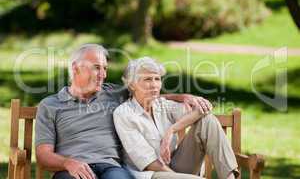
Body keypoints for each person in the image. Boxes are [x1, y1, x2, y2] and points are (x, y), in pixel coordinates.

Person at [35, 44, 212, 179]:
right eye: (96, 67)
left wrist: (184, 97)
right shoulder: (51, 105)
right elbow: (43, 155)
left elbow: (149, 92)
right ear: (75, 68)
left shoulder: (114, 93)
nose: (103, 74)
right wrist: (68, 163)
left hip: (111, 167)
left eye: (105, 68)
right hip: (73, 170)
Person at [113, 57, 239, 179]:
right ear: (132, 84)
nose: (154, 85)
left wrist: (172, 130)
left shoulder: (162, 105)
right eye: (147, 79)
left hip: (176, 167)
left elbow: (204, 109)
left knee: (207, 120)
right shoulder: (124, 114)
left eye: (157, 79)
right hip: (152, 174)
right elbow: (149, 164)